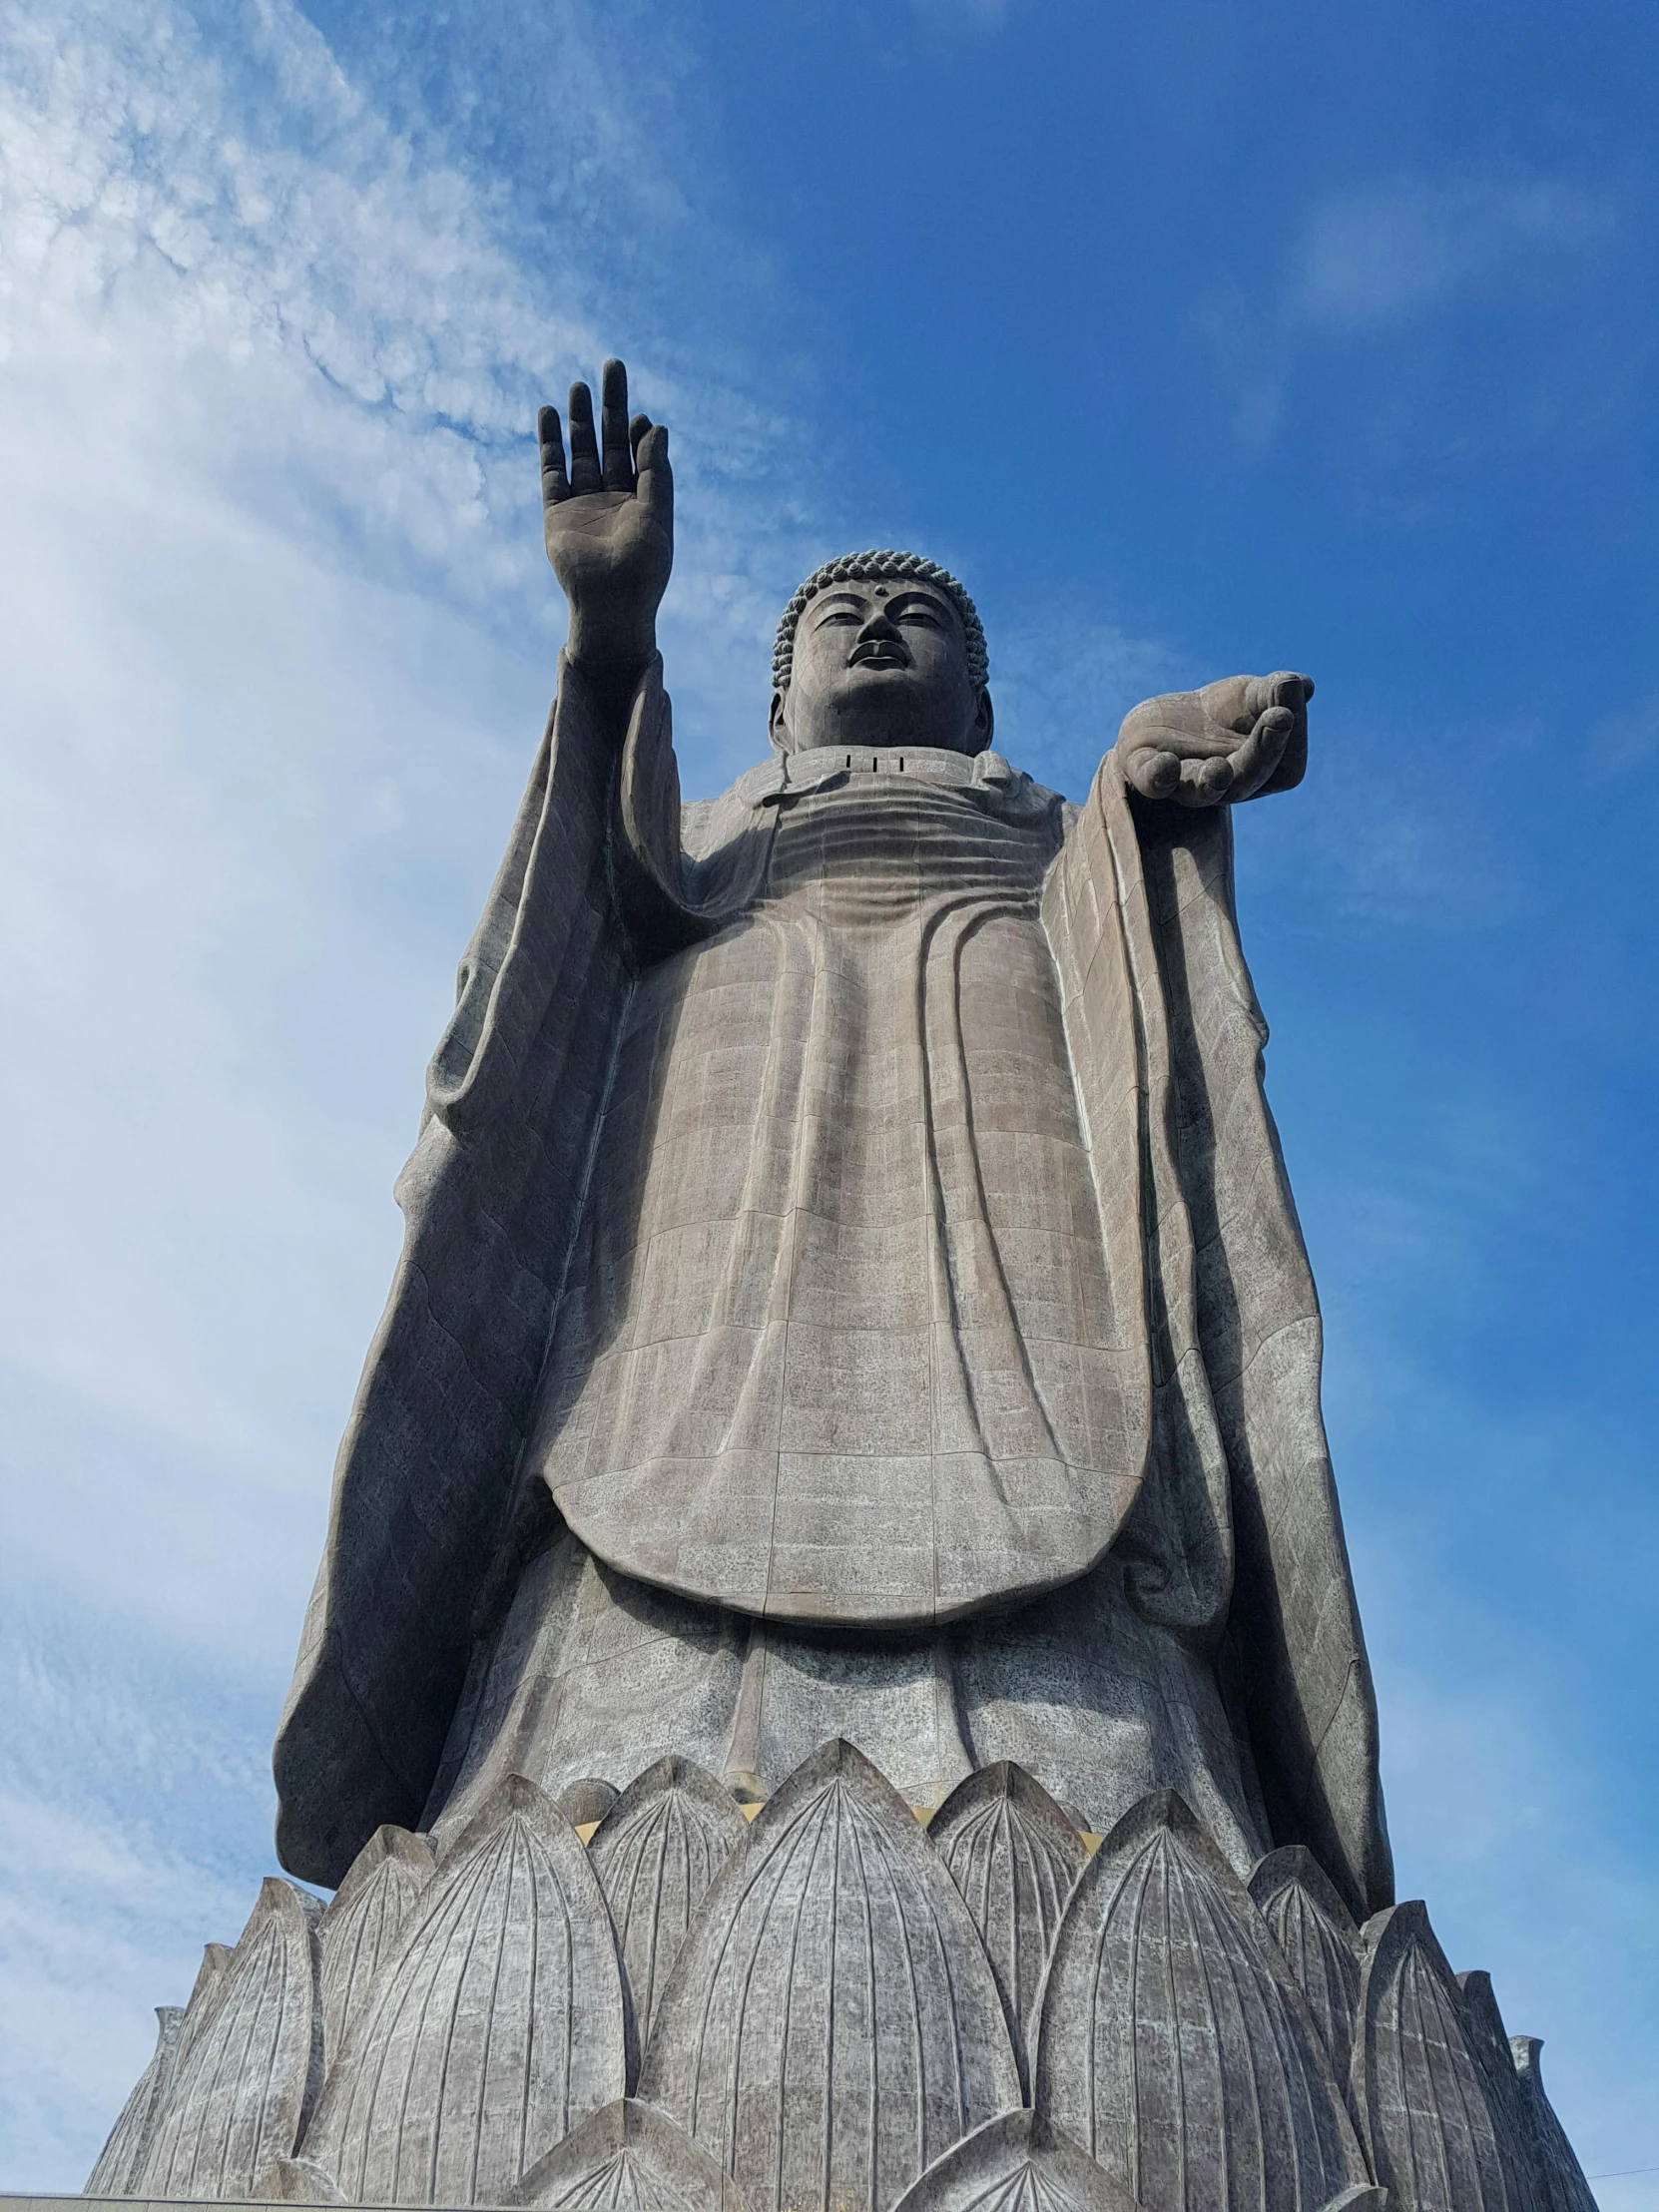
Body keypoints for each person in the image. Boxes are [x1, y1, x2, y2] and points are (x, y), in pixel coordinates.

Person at [274, 360, 1391, 1923]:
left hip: (1003, 1094)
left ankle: (1116, 1768)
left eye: (914, 621)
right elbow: (586, 921)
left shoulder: (1039, 829)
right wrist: (607, 639)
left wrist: (1141, 788)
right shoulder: (715, 825)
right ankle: (568, 1770)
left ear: (985, 705)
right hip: (718, 1119)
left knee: (1080, 1400)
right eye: (836, 623)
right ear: (780, 696)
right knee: (628, 1411)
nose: (875, 631)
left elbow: (1115, 959)